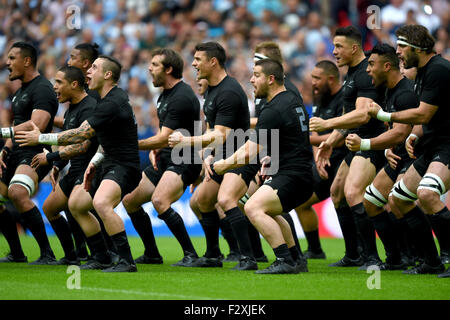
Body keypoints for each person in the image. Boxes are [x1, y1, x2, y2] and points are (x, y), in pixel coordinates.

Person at [16, 55, 141, 272]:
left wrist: (41, 139)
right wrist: (96, 161)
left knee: (101, 203)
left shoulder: (111, 102)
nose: (88, 72)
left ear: (107, 74)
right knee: (76, 206)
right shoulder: (106, 99)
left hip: (123, 166)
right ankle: (101, 256)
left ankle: (126, 261)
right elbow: (106, 139)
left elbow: (81, 135)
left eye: (93, 67)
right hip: (107, 163)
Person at [212, 58, 312, 274]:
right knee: (270, 211)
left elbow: (250, 150)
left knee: (252, 207)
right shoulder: (292, 100)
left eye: (256, 75)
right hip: (299, 173)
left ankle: (283, 260)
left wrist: (223, 165)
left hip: (294, 176)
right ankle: (296, 260)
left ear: (271, 79)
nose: (251, 79)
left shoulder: (273, 109)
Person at [169, 42, 258, 270]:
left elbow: (220, 134)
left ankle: (247, 258)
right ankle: (213, 255)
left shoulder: (228, 91)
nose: (193, 64)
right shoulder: (211, 90)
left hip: (240, 157)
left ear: (213, 61)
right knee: (201, 200)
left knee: (226, 200)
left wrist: (185, 141)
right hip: (222, 156)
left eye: (198, 59)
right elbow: (213, 132)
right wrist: (207, 157)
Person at [368, 25, 449, 277]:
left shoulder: (437, 70)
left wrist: (384, 114)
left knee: (426, 194)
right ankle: (431, 261)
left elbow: (424, 113)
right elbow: (434, 117)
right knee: (398, 199)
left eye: (402, 47)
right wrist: (415, 134)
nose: (398, 52)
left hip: (447, 144)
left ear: (417, 48)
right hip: (435, 142)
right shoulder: (424, 72)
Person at [309, 26, 386, 269]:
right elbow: (347, 119)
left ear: (354, 48)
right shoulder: (351, 75)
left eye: (339, 47)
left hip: (373, 142)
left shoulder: (365, 73)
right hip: (355, 143)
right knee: (337, 193)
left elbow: (362, 116)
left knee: (353, 194)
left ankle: (373, 257)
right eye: (334, 46)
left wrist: (326, 124)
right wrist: (329, 143)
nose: (334, 51)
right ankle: (353, 255)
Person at [121, 48, 201, 267]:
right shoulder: (164, 95)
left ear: (169, 69)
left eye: (155, 64)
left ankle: (191, 254)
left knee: (159, 200)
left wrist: (130, 145)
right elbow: (165, 134)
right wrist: (156, 147)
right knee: (130, 201)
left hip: (184, 160)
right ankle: (152, 254)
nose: (149, 68)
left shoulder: (182, 96)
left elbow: (165, 136)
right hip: (166, 158)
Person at [345, 43, 420, 269]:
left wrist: (365, 144)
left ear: (387, 66)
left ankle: (428, 257)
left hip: (414, 157)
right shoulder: (390, 90)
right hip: (396, 155)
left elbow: (401, 132)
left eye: (371, 64)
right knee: (371, 200)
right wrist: (387, 148)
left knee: (399, 201)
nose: (367, 70)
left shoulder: (405, 92)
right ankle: (396, 257)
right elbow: (394, 128)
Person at [29, 66, 99, 265]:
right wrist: (58, 165)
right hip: (75, 169)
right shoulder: (71, 109)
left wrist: (50, 158)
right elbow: (70, 143)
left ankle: (99, 255)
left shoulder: (89, 107)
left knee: (76, 208)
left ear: (74, 84)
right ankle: (72, 256)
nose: (55, 87)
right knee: (49, 208)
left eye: (59, 82)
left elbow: (84, 145)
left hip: (90, 170)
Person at [0, 42, 58, 264]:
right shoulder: (20, 92)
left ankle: (47, 253)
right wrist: (5, 148)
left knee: (17, 193)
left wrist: (5, 132)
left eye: (12, 58)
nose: (7, 63)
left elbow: (37, 125)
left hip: (34, 152)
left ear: (27, 61)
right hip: (15, 153)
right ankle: (17, 253)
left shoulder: (42, 88)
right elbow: (18, 123)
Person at [294, 60, 346, 259]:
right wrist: (317, 155)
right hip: (323, 162)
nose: (312, 82)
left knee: (349, 203)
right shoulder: (320, 98)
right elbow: (316, 130)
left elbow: (340, 134)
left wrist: (309, 139)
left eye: (317, 78)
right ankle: (315, 250)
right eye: (312, 77)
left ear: (330, 79)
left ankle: (361, 252)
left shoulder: (344, 99)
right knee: (301, 202)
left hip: (342, 160)